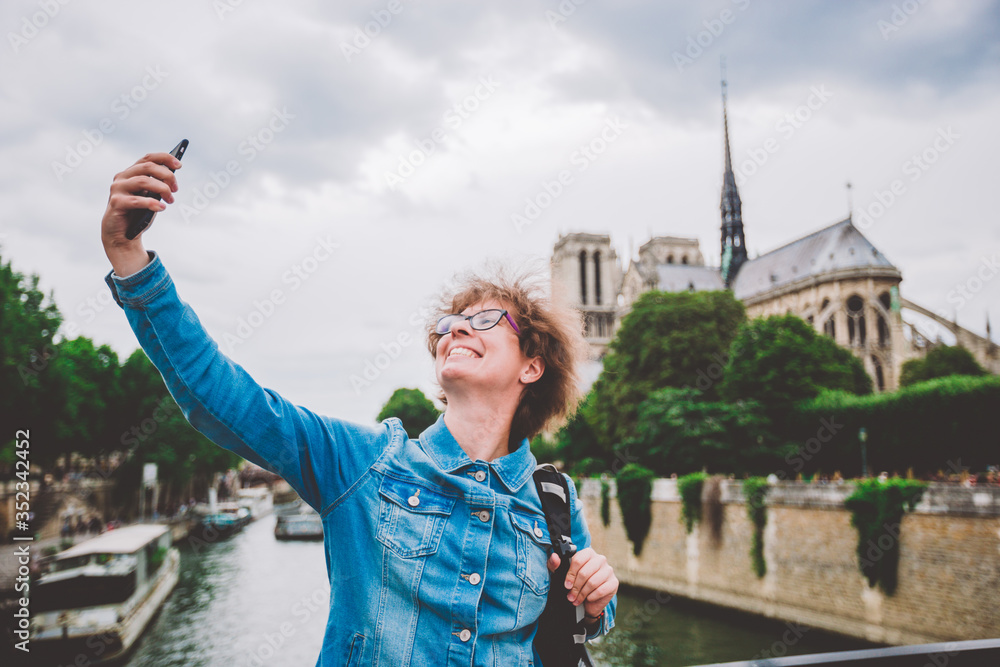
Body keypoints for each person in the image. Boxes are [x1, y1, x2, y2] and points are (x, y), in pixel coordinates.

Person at [99, 151, 618, 665]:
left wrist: (597, 601)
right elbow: (220, 395)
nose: (455, 327)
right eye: (449, 324)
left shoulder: (554, 499)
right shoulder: (363, 464)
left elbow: (581, 617)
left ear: (533, 366)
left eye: (485, 322)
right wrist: (129, 258)